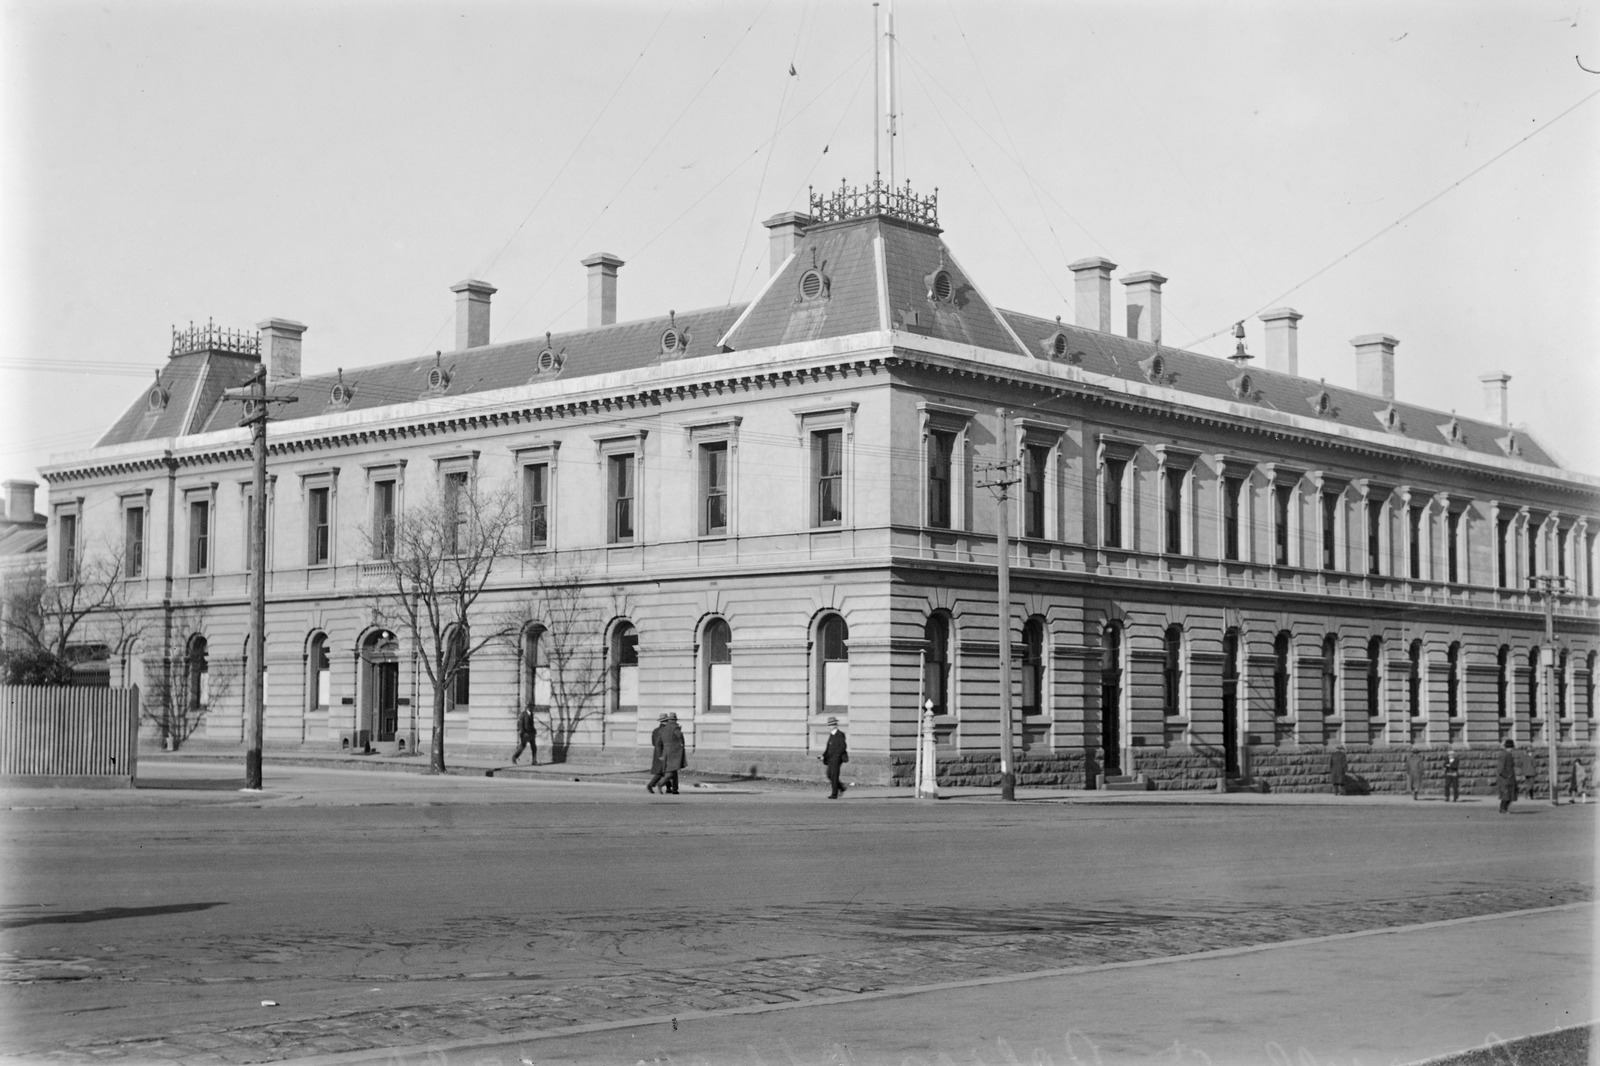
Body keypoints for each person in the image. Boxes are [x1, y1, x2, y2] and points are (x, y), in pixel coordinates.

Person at [660, 712, 687, 795]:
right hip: (674, 751)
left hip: (666, 750)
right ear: (674, 720)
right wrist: (681, 745)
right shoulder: (675, 727)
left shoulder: (664, 729)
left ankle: (674, 789)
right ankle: (661, 784)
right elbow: (680, 737)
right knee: (673, 771)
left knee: (671, 770)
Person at [821, 716, 848, 798]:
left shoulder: (840, 734)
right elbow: (828, 748)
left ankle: (834, 794)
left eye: (830, 725)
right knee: (829, 774)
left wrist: (837, 755)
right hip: (830, 758)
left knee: (834, 775)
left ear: (834, 725)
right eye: (828, 725)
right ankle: (841, 787)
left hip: (836, 758)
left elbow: (843, 746)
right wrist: (823, 756)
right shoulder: (831, 735)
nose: (828, 727)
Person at [646, 713, 669, 793]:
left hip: (657, 752)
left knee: (666, 771)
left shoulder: (655, 730)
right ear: (666, 721)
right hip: (663, 753)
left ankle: (669, 788)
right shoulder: (665, 730)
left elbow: (653, 743)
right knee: (663, 771)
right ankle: (651, 784)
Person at [1497, 739, 1518, 814]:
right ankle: (1503, 809)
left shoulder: (1508, 754)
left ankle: (1504, 808)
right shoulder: (1504, 755)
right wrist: (1507, 776)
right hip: (1505, 779)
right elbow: (1501, 768)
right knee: (1506, 794)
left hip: (1510, 778)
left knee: (1510, 794)